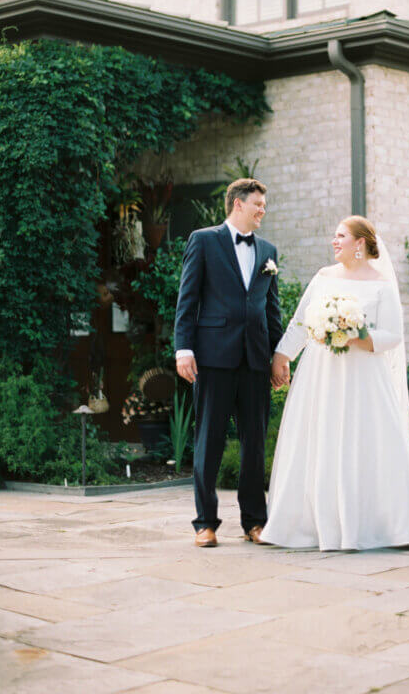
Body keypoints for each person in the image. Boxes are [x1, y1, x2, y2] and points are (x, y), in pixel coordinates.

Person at [261, 215, 409, 550]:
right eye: (334, 234)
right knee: (321, 438)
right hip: (322, 374)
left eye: (341, 235)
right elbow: (300, 322)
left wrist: (358, 335)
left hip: (365, 376)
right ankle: (315, 523)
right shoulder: (324, 277)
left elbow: (394, 334)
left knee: (367, 441)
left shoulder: (382, 284)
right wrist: (282, 357)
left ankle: (378, 524)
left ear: (360, 243)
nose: (334, 240)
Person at [175, 178, 283, 547]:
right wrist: (183, 349)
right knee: (209, 442)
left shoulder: (268, 250)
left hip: (255, 360)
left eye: (264, 205)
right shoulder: (203, 240)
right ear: (238, 204)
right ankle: (205, 523)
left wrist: (277, 356)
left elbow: (272, 309)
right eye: (257, 204)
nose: (262, 211)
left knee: (254, 444)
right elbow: (187, 298)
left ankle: (255, 521)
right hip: (214, 357)